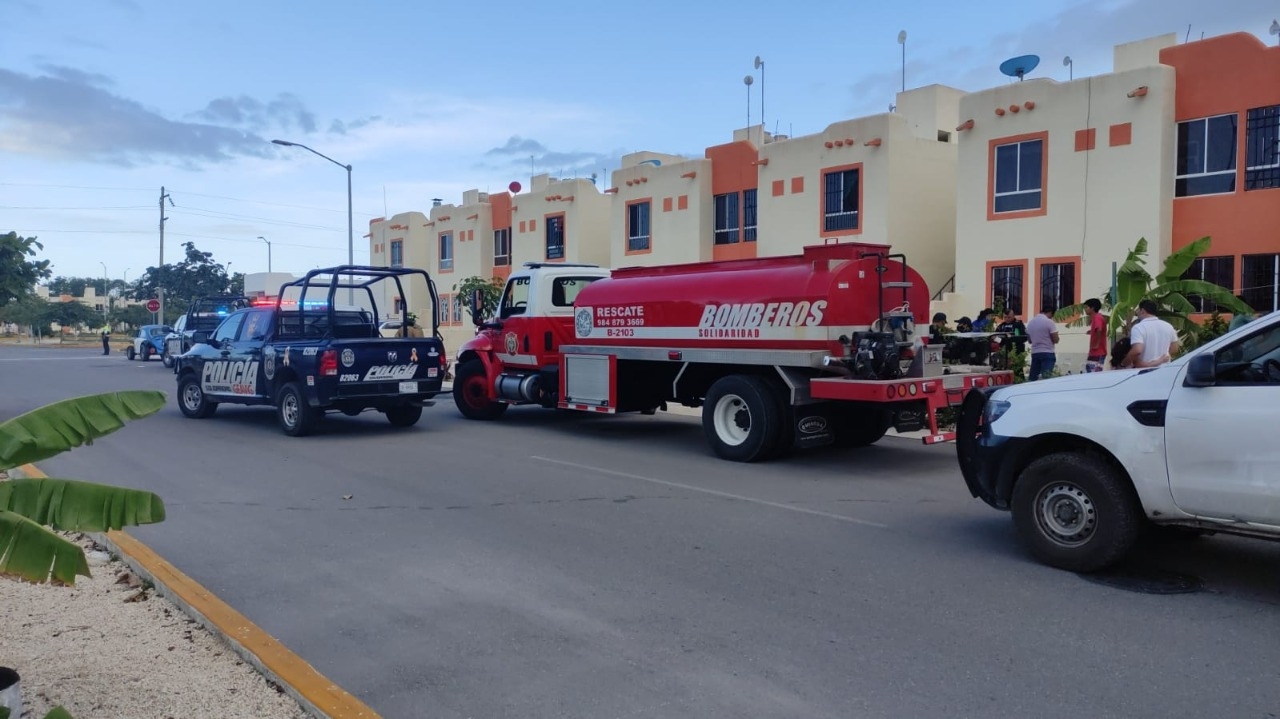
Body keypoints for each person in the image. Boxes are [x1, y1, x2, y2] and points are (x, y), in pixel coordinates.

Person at [1121, 299, 1177, 368]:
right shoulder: (1168, 326)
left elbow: (1137, 350)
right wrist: (1161, 359)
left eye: (1138, 310)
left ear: (1142, 311)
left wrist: (1124, 363)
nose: (1137, 313)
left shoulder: (1139, 327)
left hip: (1145, 370)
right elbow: (1174, 348)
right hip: (1164, 368)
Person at [1026, 304, 1060, 380]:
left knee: (1033, 378)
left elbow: (1030, 340)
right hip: (1047, 352)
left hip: (1035, 353)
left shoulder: (1030, 323)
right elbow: (1055, 339)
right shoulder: (1049, 322)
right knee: (1046, 377)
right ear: (1050, 312)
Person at [1084, 298, 1108, 372]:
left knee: (1093, 372)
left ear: (1092, 308)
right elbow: (1098, 330)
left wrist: (1096, 344)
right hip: (1096, 352)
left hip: (1098, 352)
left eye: (1087, 307)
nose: (1085, 309)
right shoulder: (1096, 318)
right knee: (1090, 369)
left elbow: (1099, 330)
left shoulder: (1097, 318)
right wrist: (1091, 331)